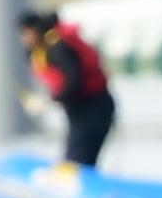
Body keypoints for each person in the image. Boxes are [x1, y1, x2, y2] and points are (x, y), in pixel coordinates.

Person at [22, 9, 118, 172]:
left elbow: (74, 81)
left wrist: (47, 101)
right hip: (82, 110)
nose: (24, 39)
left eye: (26, 33)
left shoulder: (57, 48)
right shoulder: (43, 50)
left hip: (93, 109)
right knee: (77, 159)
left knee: (78, 162)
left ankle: (85, 193)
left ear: (36, 30)